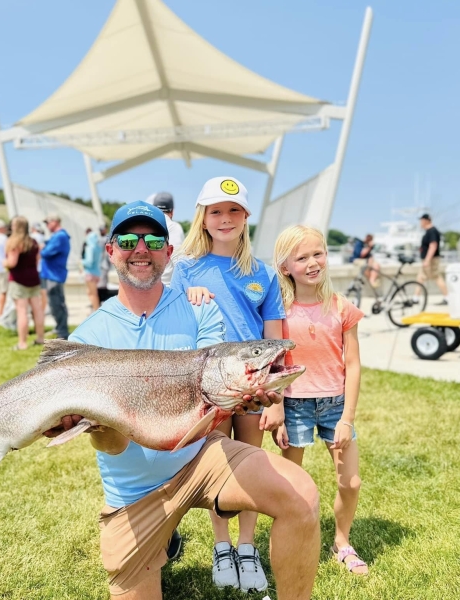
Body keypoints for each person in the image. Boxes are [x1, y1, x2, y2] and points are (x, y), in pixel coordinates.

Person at [44, 200, 320, 600]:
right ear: (111, 250)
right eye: (128, 239)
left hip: (201, 460)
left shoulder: (200, 309)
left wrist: (241, 397)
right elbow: (113, 446)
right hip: (133, 492)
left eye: (154, 239)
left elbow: (214, 385)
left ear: (168, 252)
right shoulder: (88, 336)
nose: (141, 248)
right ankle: (163, 539)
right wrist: (95, 427)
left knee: (302, 495)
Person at [170, 177, 286, 592]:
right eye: (215, 211)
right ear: (202, 218)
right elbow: (172, 330)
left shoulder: (263, 273)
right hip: (210, 388)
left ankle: (248, 546)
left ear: (246, 218)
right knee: (218, 469)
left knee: (251, 466)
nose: (224, 218)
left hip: (253, 388)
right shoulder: (184, 269)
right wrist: (187, 299)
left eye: (233, 211)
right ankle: (222, 546)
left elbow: (275, 336)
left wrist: (278, 399)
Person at [273, 224, 368, 575]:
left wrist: (347, 418)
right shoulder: (279, 309)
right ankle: (291, 540)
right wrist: (279, 410)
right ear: (285, 267)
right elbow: (276, 363)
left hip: (335, 406)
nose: (313, 262)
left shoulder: (342, 307)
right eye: (302, 257)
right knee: (290, 484)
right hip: (295, 404)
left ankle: (341, 542)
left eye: (318, 253)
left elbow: (353, 364)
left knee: (351, 481)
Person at [3, 216, 45, 350]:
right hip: (33, 279)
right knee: (37, 310)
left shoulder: (15, 242)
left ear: (16, 226)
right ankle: (40, 338)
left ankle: (22, 343)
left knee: (22, 312)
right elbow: (37, 260)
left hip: (19, 280)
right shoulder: (33, 242)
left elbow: (12, 263)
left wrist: (4, 263)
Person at [40, 214, 71, 339]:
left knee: (57, 304)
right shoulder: (58, 236)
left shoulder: (60, 236)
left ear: (54, 222)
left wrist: (42, 248)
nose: (46, 226)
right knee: (55, 304)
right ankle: (59, 328)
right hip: (52, 275)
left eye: (47, 222)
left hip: (55, 276)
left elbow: (46, 253)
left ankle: (62, 332)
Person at [150, 192, 185, 285]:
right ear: (172, 211)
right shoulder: (174, 227)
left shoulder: (146, 226)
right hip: (166, 287)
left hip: (146, 286)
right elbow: (179, 259)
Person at [417, 213, 448, 305]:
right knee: (421, 277)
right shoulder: (429, 231)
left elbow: (433, 246)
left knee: (436, 276)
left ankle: (447, 297)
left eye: (421, 220)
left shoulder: (432, 231)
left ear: (426, 221)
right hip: (429, 259)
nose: (420, 223)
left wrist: (427, 260)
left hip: (431, 260)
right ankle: (415, 298)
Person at [81, 226, 102, 312]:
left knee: (93, 294)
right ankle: (94, 309)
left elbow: (89, 262)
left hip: (90, 273)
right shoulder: (98, 248)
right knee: (90, 293)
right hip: (97, 273)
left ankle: (96, 311)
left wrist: (81, 261)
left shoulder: (89, 248)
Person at [30, 222, 48, 315]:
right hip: (42, 268)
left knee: (34, 292)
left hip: (33, 269)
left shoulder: (31, 237)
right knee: (43, 291)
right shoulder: (42, 238)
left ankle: (35, 310)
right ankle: (42, 310)